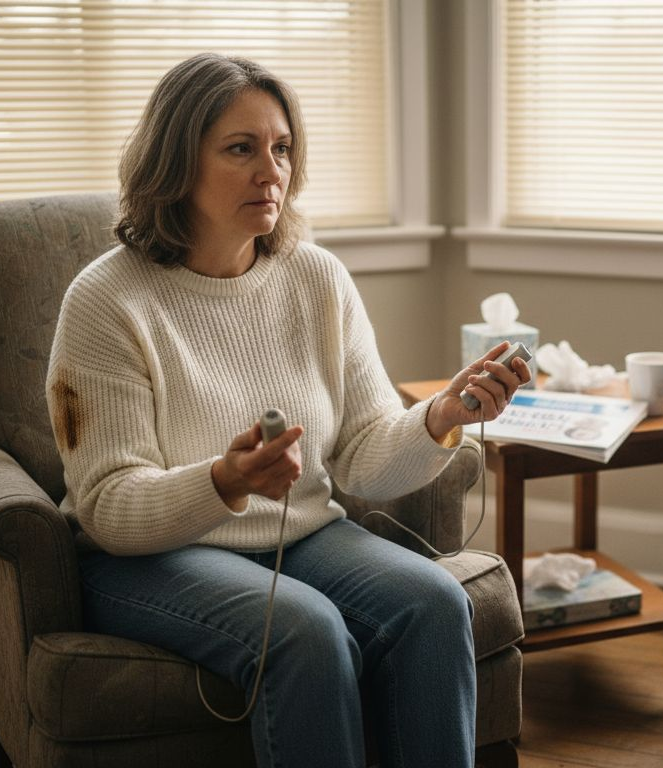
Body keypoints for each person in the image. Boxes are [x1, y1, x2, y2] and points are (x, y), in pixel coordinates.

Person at [46, 53, 530, 768]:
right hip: (147, 558)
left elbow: (363, 451)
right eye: (240, 149)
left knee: (432, 602)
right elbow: (109, 506)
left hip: (300, 534)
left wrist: (439, 417)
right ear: (176, 163)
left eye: (281, 148)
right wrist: (225, 481)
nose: (270, 170)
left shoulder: (316, 277)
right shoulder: (105, 301)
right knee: (304, 631)